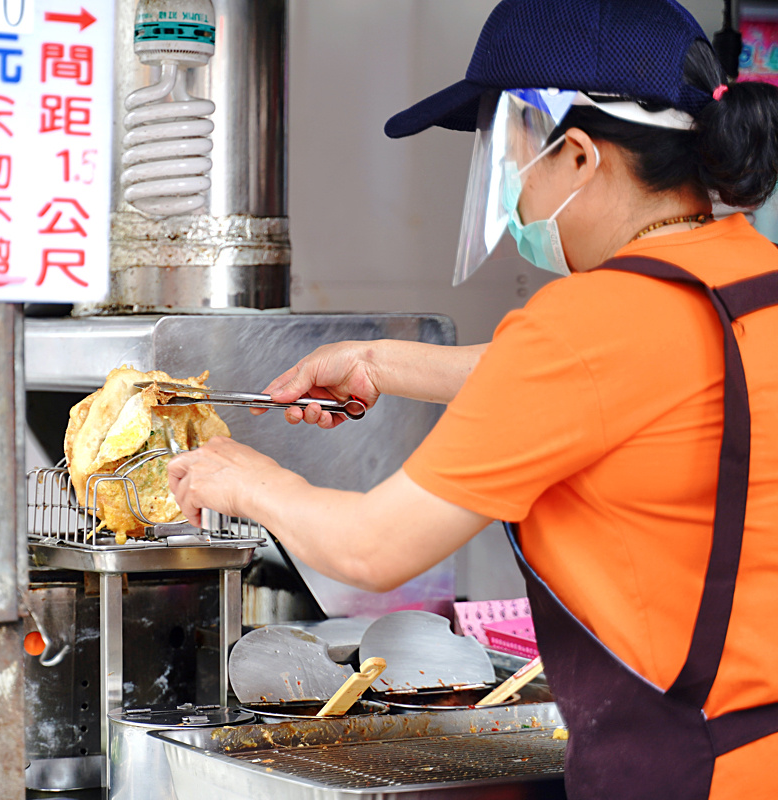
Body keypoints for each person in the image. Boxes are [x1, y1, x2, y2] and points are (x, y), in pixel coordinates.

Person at [168, 1, 778, 797]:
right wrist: (377, 361)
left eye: (510, 151)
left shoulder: (588, 324)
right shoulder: (745, 271)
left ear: (581, 156)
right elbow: (597, 386)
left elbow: (373, 548)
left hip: (686, 773)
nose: (511, 191)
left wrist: (243, 479)